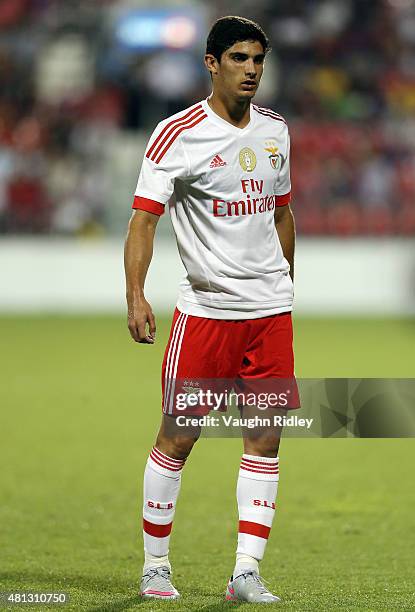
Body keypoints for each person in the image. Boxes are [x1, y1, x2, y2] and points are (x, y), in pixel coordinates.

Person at [124, 15, 298, 604]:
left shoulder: (276, 131)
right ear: (211, 63)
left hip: (270, 314)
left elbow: (281, 213)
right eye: (239, 59)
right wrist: (136, 295)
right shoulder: (177, 135)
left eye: (258, 60)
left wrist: (286, 285)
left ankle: (246, 574)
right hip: (206, 315)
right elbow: (143, 221)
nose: (251, 70)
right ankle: (155, 566)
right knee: (179, 437)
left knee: (266, 438)